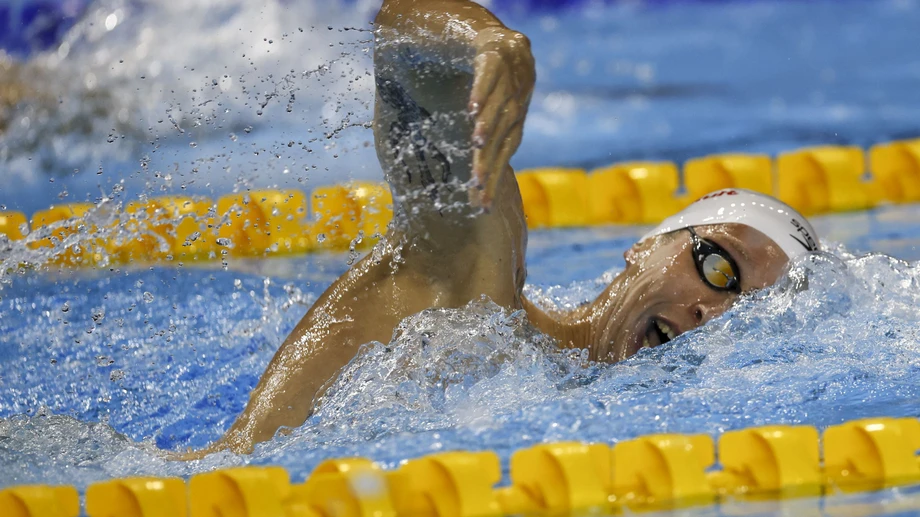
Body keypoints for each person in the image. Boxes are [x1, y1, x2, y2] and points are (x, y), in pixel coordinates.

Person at [203, 0, 819, 455]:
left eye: (747, 314)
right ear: (645, 247)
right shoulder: (479, 298)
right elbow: (401, 46)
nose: (712, 315)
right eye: (717, 268)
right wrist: (491, 42)